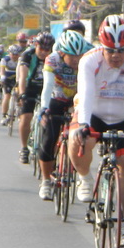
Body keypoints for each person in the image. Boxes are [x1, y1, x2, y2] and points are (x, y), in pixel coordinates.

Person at [72, 15, 124, 216]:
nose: (116, 55)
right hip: (95, 114)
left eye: (121, 50)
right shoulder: (89, 60)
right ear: (102, 47)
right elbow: (86, 94)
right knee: (77, 140)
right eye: (110, 50)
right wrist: (83, 125)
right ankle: (85, 178)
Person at [36, 30, 93, 200]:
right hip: (58, 97)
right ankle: (46, 181)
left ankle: (81, 172)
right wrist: (44, 108)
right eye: (71, 56)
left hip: (78, 98)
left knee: (84, 135)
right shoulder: (53, 59)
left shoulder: (90, 55)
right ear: (62, 53)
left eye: (79, 55)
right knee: (49, 138)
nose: (76, 60)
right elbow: (47, 86)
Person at [16, 32, 54, 165]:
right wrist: (22, 94)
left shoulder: (54, 57)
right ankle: (24, 148)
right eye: (41, 48)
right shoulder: (28, 55)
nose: (43, 52)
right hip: (30, 87)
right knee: (26, 117)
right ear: (36, 45)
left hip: (47, 88)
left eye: (47, 50)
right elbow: (22, 77)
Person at [0, 45, 21, 126]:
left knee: (19, 95)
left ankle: (17, 112)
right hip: (7, 79)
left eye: (17, 54)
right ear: (9, 53)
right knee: (7, 96)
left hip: (17, 78)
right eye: (13, 54)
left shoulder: (21, 60)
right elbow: (2, 70)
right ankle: (4, 115)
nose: (15, 56)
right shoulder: (5, 59)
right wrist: (2, 77)